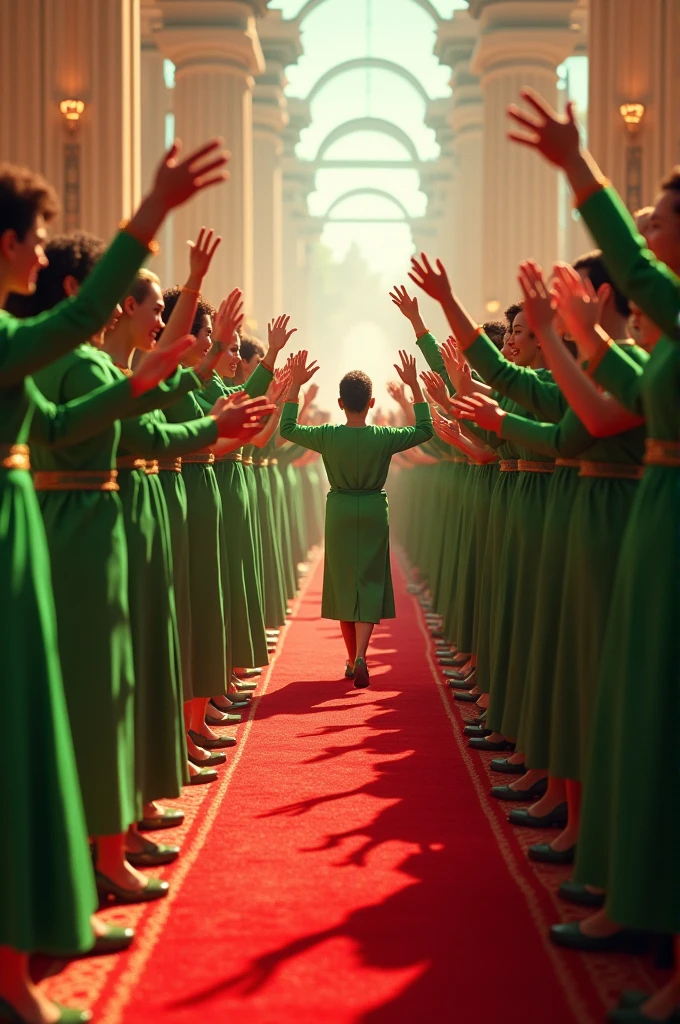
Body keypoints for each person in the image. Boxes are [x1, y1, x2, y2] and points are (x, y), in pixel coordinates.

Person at [0, 137, 229, 1024]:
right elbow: (81, 314)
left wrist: (156, 376)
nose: (39, 250)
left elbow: (55, 420)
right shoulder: (36, 330)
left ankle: (29, 946)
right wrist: (154, 211)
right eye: (32, 236)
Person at [505, 87, 679, 1021]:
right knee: (630, 707)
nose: (647, 235)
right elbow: (600, 410)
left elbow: (594, 418)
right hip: (647, 515)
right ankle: (629, 898)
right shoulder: (660, 334)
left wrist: (579, 169)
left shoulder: (665, 318)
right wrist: (571, 333)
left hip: (649, 516)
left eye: (661, 221)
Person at [279, 348, 433, 688]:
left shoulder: (328, 434)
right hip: (375, 508)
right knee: (369, 581)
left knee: (345, 583)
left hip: (340, 510)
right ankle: (362, 654)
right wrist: (413, 390)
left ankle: (351, 660)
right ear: (372, 402)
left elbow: (287, 427)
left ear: (339, 402)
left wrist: (294, 388)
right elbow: (426, 429)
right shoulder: (384, 436)